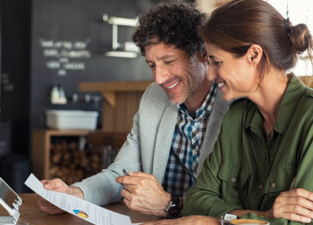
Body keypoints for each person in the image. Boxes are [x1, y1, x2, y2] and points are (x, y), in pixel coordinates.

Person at [36, 2, 230, 218]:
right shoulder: (153, 97)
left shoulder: (235, 105)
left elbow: (236, 202)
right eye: (152, 65)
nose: (159, 78)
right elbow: (121, 174)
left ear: (203, 53)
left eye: (168, 61)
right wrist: (73, 194)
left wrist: (171, 204)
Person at [159, 0, 313, 224]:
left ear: (253, 55)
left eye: (216, 61)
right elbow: (196, 201)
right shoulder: (236, 116)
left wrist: (217, 219)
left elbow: (305, 222)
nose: (210, 75)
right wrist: (265, 217)